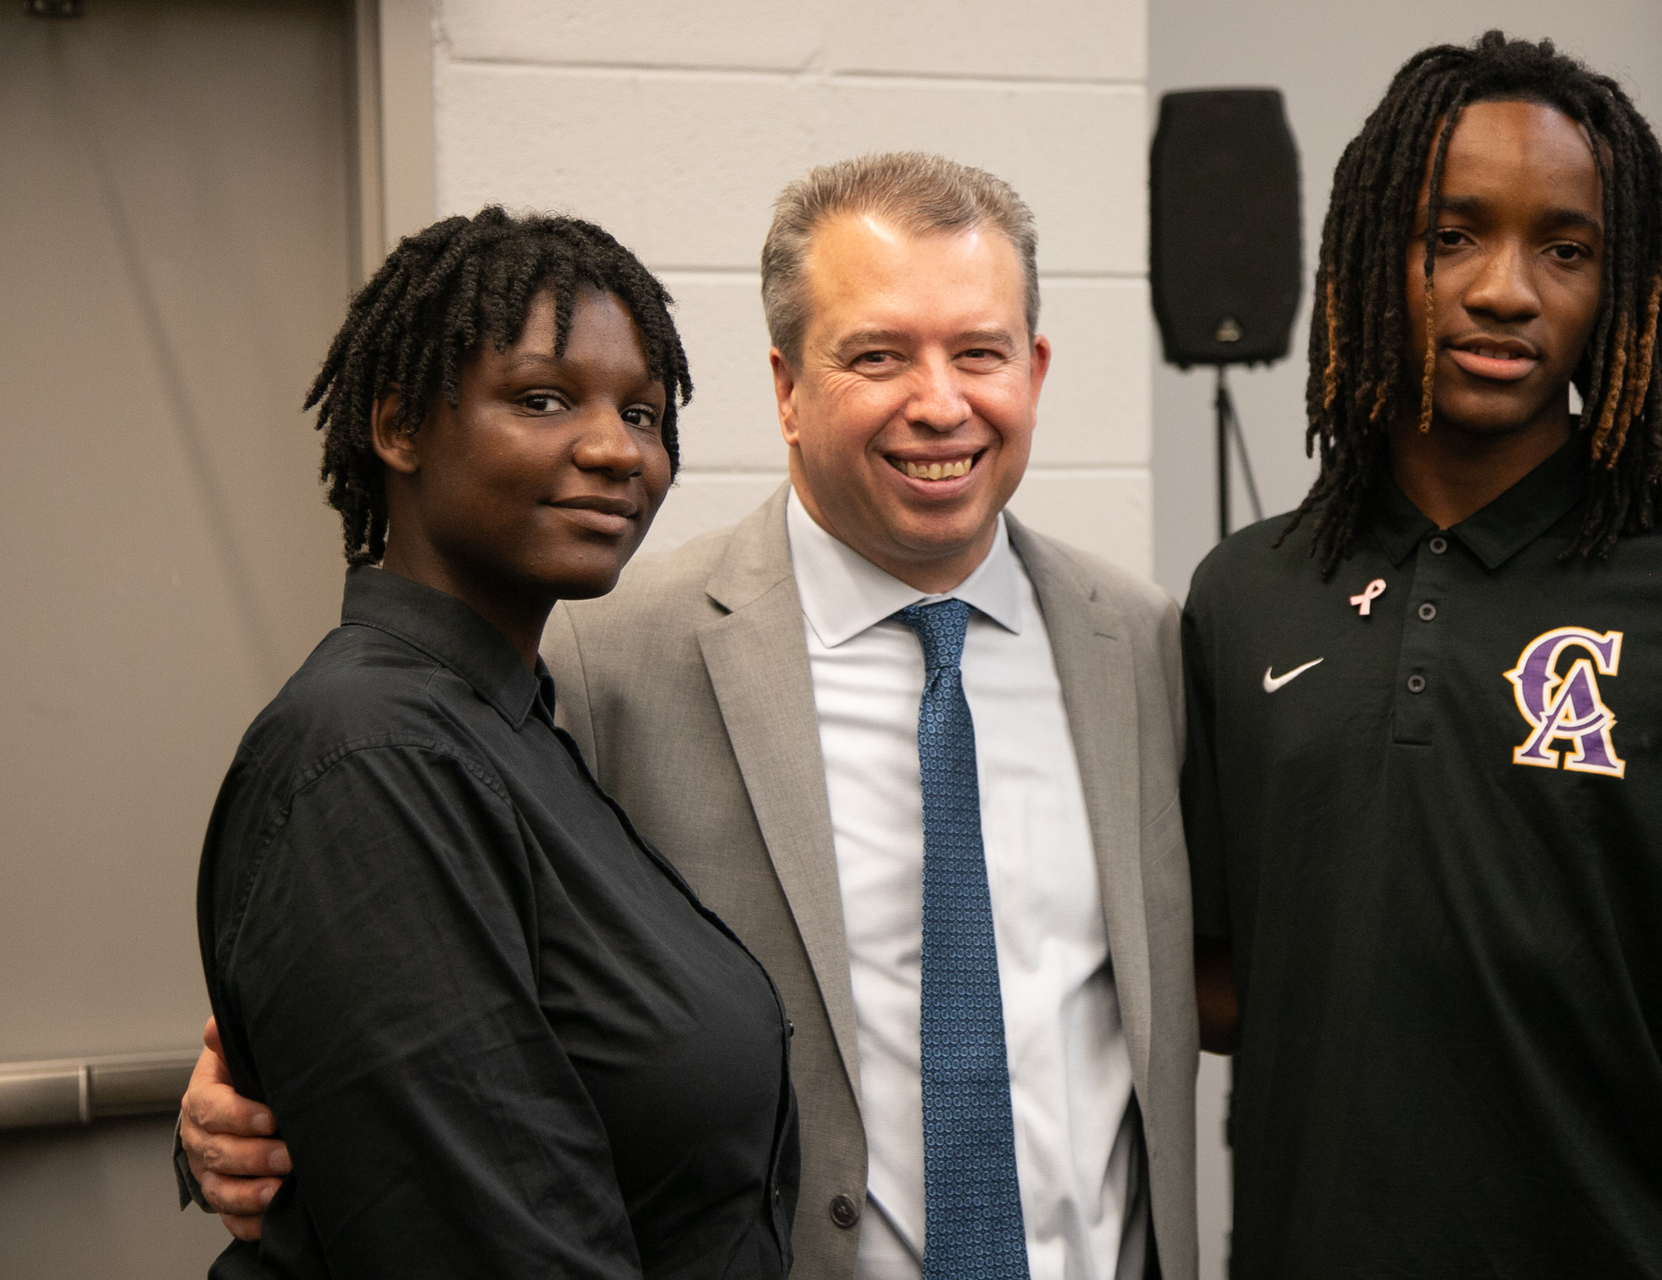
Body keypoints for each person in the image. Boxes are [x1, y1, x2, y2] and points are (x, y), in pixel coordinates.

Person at [181, 155, 1198, 1280]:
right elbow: (406, 974)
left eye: (979, 352)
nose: (941, 400)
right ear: (786, 388)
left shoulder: (1143, 644)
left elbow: (1249, 965)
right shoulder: (598, 654)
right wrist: (246, 1103)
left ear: (1035, 368)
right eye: (877, 354)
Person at [1182, 31, 1662, 1280]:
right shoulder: (1247, 592)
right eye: (1451, 234)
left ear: (1619, 286)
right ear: (1371, 257)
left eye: (1565, 249)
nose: (1506, 290)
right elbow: (1223, 977)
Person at [190, 207, 799, 1279]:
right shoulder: (373, 756)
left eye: (646, 415)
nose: (617, 449)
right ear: (398, 427)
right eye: (543, 398)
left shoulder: (506, 723)